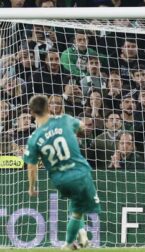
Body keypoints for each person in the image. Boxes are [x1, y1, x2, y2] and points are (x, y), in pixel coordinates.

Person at [23, 95, 99, 250]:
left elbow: (31, 166)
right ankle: (69, 243)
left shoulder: (33, 138)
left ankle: (80, 239)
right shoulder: (65, 120)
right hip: (79, 173)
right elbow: (83, 128)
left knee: (77, 206)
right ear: (48, 107)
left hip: (60, 180)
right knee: (81, 210)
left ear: (31, 112)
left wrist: (31, 187)